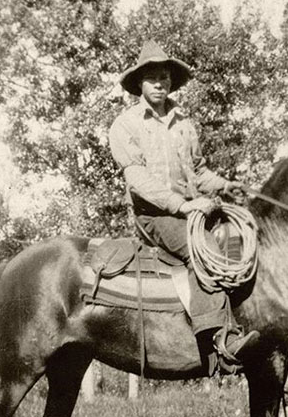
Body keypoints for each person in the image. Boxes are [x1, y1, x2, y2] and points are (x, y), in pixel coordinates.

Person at [109, 40, 260, 371]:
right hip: (155, 217)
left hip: (189, 211)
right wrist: (183, 207)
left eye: (164, 77)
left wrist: (225, 185)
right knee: (204, 249)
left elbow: (199, 172)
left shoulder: (184, 123)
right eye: (152, 78)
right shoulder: (126, 125)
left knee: (236, 239)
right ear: (139, 84)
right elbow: (137, 179)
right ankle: (220, 339)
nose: (159, 83)